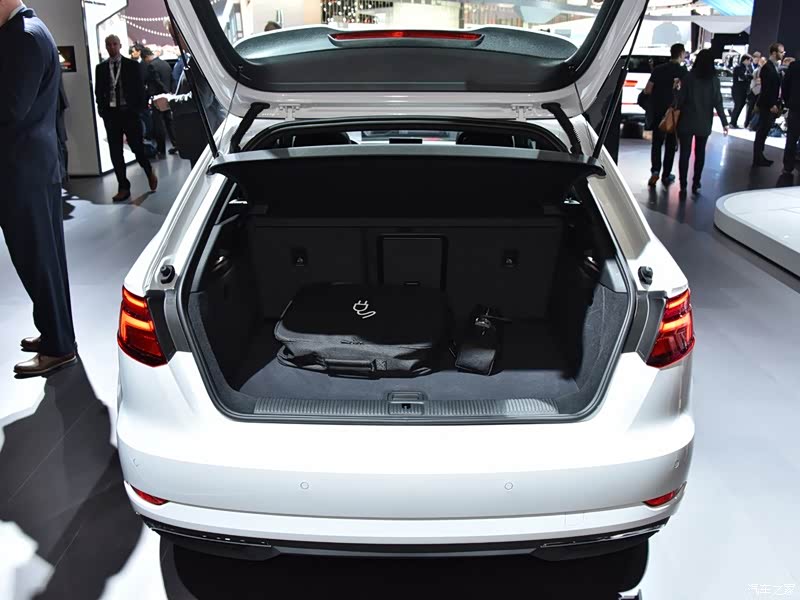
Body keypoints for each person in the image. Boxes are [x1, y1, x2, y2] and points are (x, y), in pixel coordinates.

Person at [0, 0, 77, 376]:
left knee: (38, 262)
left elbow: (10, 108)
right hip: (30, 167)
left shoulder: (24, 37)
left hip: (23, 169)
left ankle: (58, 346)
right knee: (43, 260)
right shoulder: (29, 31)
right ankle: (56, 334)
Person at [95, 34, 158, 201]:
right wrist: (102, 111)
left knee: (137, 148)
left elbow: (140, 90)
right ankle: (123, 187)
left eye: (114, 44)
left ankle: (148, 170)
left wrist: (138, 110)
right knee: (115, 152)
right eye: (109, 44)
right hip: (111, 115)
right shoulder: (101, 68)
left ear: (120, 45)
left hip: (129, 114)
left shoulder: (132, 65)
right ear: (105, 47)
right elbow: (98, 92)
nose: (112, 47)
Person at [154, 19, 225, 167]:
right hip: (202, 137)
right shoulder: (197, 58)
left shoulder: (200, 59)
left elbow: (202, 99)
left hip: (204, 138)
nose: (175, 42)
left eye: (175, 36)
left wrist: (169, 102)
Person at [676, 49, 729, 195]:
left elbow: (680, 100)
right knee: (700, 153)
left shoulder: (688, 78)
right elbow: (718, 102)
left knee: (685, 153)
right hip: (704, 122)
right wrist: (724, 122)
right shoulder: (714, 81)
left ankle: (683, 184)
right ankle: (696, 182)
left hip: (686, 120)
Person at [643, 43, 687, 187]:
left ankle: (655, 171)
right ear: (681, 54)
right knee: (670, 144)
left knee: (656, 143)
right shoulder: (683, 72)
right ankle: (666, 175)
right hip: (674, 113)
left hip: (658, 112)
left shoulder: (658, 69)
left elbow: (648, 90)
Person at [141, 46, 178, 158]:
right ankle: (176, 145)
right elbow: (172, 79)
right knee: (169, 122)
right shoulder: (165, 63)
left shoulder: (151, 66)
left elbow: (157, 82)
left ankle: (161, 148)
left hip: (158, 98)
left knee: (159, 124)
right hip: (168, 98)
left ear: (145, 57)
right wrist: (170, 93)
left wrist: (164, 92)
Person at [753, 42, 785, 167]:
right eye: (781, 52)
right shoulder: (767, 68)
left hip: (770, 104)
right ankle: (758, 157)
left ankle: (760, 156)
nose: (783, 54)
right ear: (774, 52)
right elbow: (766, 89)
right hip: (767, 105)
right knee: (762, 131)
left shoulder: (774, 67)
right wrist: (772, 104)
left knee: (764, 131)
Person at [782, 58, 800, 175]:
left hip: (795, 106)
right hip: (795, 106)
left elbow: (785, 85)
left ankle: (788, 167)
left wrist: (788, 101)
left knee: (792, 137)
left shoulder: (794, 66)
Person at [730, 55, 752, 128]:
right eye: (749, 60)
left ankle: (734, 122)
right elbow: (742, 77)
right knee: (738, 106)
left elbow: (749, 76)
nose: (749, 62)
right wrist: (748, 77)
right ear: (745, 60)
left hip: (743, 90)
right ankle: (732, 122)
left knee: (740, 106)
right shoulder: (739, 67)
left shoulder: (746, 68)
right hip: (738, 90)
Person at [56, 75, 70, 195]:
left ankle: (63, 174)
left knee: (60, 140)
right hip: (54, 103)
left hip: (55, 104)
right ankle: (62, 174)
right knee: (60, 140)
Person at [745, 56, 766, 129]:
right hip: (755, 91)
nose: (762, 63)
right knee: (751, 108)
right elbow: (754, 80)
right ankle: (748, 123)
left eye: (763, 62)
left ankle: (753, 124)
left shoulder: (765, 70)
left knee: (757, 109)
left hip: (761, 92)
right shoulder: (757, 70)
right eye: (761, 61)